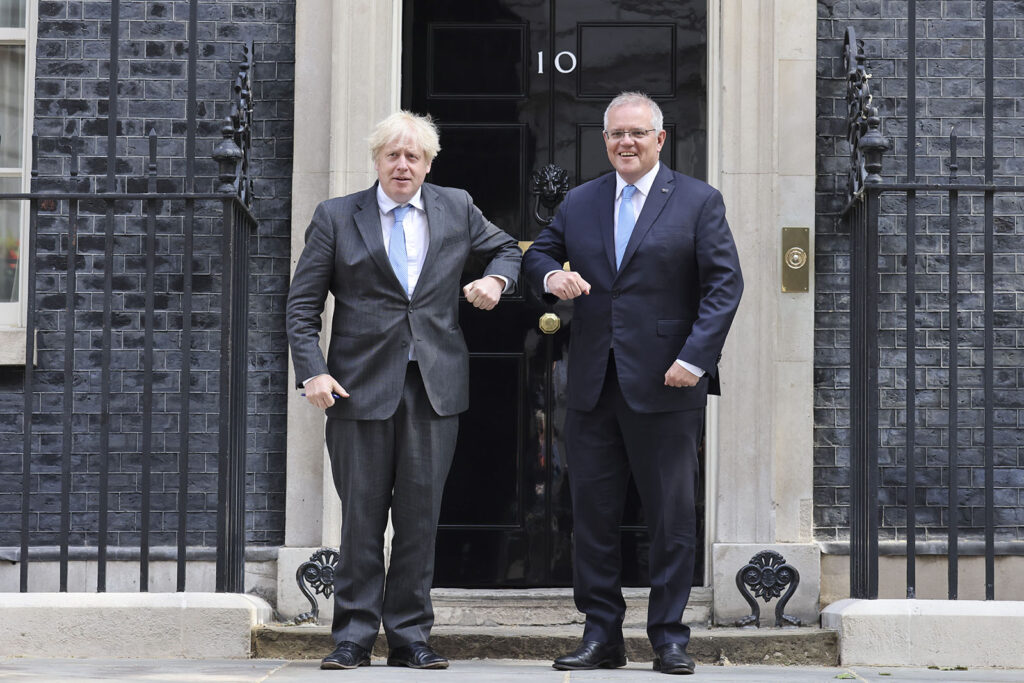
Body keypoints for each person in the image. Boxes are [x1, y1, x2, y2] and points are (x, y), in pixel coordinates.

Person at [286, 111, 522, 671]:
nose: (402, 165)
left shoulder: (457, 206)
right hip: (355, 389)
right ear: (377, 160)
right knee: (361, 520)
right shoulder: (337, 217)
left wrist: (495, 279)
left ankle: (411, 635)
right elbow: (301, 307)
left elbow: (508, 248)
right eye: (392, 155)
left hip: (433, 388)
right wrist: (313, 371)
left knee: (420, 519)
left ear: (428, 163)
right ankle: (353, 636)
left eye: (413, 156)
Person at [522, 92, 743, 676]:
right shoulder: (580, 201)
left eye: (637, 134)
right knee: (592, 516)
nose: (626, 143)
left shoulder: (698, 201)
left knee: (671, 517)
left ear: (660, 139)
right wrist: (549, 275)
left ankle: (670, 637)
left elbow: (724, 286)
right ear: (605, 141)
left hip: (668, 383)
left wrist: (695, 359)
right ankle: (602, 637)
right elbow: (540, 252)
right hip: (593, 383)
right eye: (616, 134)